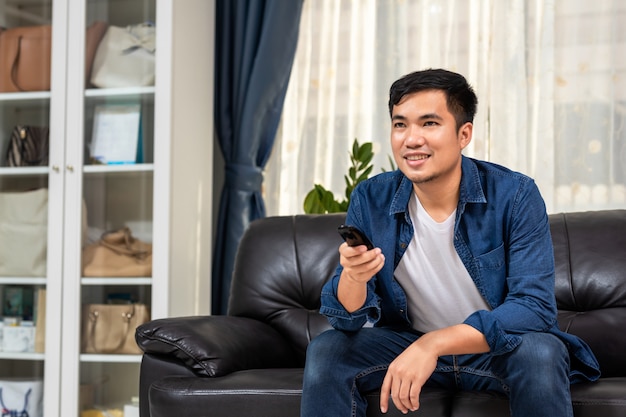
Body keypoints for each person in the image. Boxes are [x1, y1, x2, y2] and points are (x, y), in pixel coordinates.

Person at [300, 68, 600, 417]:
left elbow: (533, 307)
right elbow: (347, 321)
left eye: (429, 124)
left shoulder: (515, 195)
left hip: (494, 349)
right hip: (408, 340)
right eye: (400, 124)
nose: (411, 139)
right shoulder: (371, 198)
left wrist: (434, 344)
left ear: (463, 133)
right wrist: (353, 278)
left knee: (540, 352)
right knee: (328, 350)